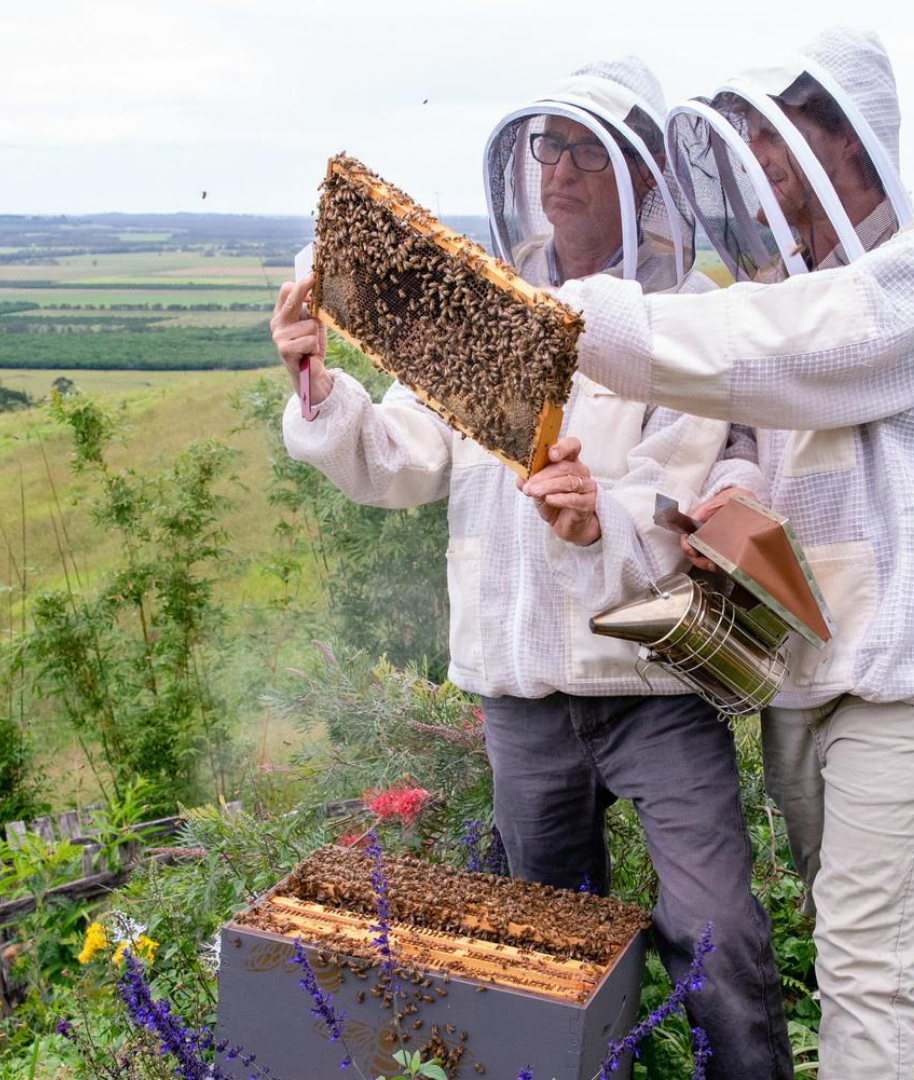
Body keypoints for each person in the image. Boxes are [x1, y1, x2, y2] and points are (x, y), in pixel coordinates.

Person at [273, 57, 794, 1080]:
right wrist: (319, 388)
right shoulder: (488, 313)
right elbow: (397, 463)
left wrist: (600, 519)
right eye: (544, 149)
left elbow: (687, 497)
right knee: (544, 957)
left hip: (655, 692)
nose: (557, 174)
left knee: (718, 931)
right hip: (520, 694)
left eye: (585, 152)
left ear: (645, 175)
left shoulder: (690, 320)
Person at [549, 28, 914, 1080]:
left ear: (844, 143)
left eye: (776, 132)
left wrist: (574, 313)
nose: (755, 160)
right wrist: (733, 498)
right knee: (844, 936)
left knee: (863, 970)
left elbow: (768, 348)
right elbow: (784, 445)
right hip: (811, 678)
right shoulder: (804, 302)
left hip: (904, 681)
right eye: (745, 136)